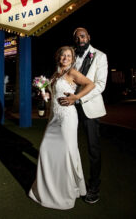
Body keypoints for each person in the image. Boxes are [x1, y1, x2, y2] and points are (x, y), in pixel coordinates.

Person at [29, 46, 95, 210]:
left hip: (67, 117)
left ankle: (67, 191)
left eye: (68, 55)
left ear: (72, 59)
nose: (65, 57)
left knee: (66, 152)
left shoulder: (72, 72)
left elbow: (90, 84)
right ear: (58, 57)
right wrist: (44, 93)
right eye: (62, 55)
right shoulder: (55, 74)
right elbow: (50, 97)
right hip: (54, 118)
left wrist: (76, 97)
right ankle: (48, 188)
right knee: (46, 150)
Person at [59, 27, 108, 204]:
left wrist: (78, 98)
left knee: (93, 149)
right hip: (70, 109)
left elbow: (100, 85)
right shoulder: (71, 56)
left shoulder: (100, 56)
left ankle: (94, 186)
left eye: (83, 35)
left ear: (88, 37)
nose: (80, 38)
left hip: (89, 107)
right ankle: (71, 182)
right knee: (70, 146)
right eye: (76, 36)